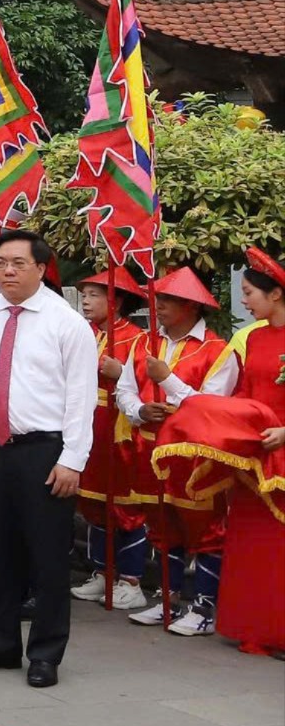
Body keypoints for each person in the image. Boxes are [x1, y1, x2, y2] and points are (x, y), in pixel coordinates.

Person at [0, 230, 95, 688]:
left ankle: (46, 652)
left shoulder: (66, 323)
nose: (7, 271)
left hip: (44, 450)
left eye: (17, 263)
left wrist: (73, 459)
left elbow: (81, 397)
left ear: (40, 268)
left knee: (48, 556)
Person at [151, 247, 285, 655]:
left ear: (276, 293)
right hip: (254, 458)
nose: (243, 300)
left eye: (248, 292)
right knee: (253, 544)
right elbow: (237, 397)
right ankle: (258, 627)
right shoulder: (250, 340)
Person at [123, 267, 235, 633]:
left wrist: (167, 382)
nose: (159, 306)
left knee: (205, 530)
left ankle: (203, 608)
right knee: (160, 526)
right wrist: (138, 410)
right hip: (151, 449)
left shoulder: (218, 350)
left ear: (190, 306)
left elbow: (211, 407)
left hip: (194, 456)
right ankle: (167, 600)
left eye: (167, 300)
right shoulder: (143, 343)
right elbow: (125, 388)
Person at [73, 268, 152, 613]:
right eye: (85, 295)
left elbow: (146, 385)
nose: (86, 301)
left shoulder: (137, 338)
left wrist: (120, 373)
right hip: (87, 421)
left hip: (118, 425)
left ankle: (132, 579)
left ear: (116, 301)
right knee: (92, 502)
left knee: (125, 503)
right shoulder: (83, 333)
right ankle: (102, 571)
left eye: (94, 295)